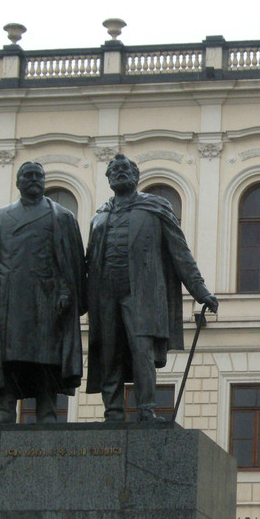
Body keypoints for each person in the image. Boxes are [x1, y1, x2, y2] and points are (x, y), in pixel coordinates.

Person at [86, 154, 218, 422]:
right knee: (109, 353)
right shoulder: (99, 216)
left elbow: (180, 252)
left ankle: (146, 409)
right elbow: (90, 262)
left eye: (125, 170)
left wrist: (200, 290)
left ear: (136, 177)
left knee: (141, 351)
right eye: (115, 170)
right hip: (106, 296)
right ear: (108, 178)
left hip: (142, 294)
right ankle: (113, 411)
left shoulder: (155, 207)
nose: (120, 173)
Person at [0, 162, 87, 423]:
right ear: (18, 182)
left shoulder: (62, 216)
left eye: (38, 176)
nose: (33, 179)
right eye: (28, 176)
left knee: (46, 358)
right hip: (8, 300)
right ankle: (4, 410)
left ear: (44, 181)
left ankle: (47, 410)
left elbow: (74, 263)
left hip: (47, 299)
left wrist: (67, 291)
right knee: (8, 358)